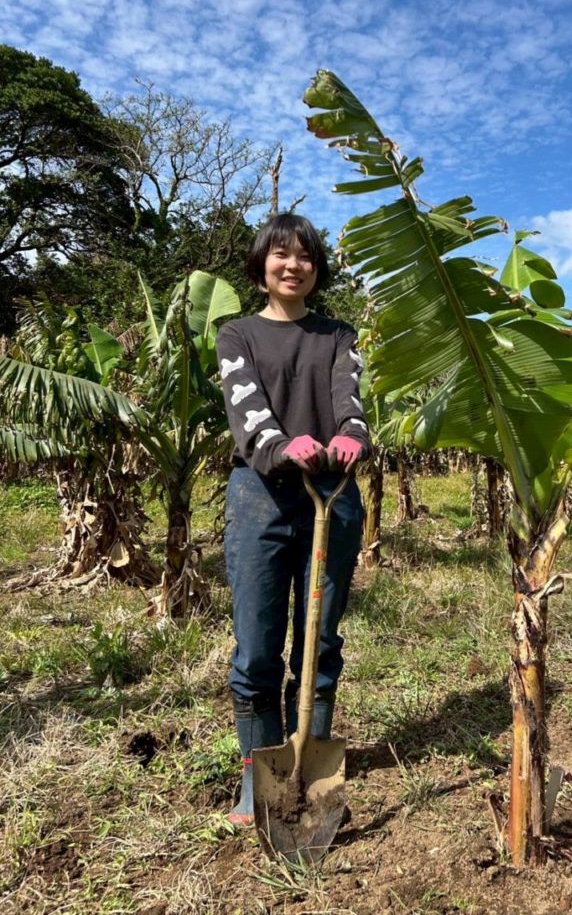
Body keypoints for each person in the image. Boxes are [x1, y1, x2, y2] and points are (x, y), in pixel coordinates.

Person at [216, 212, 369, 826]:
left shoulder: (337, 335)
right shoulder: (238, 336)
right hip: (261, 496)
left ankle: (309, 774)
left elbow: (348, 399)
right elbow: (247, 410)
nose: (293, 265)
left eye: (304, 256)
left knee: (320, 642)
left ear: (315, 268)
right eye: (281, 255)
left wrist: (353, 435)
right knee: (257, 649)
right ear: (262, 269)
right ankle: (259, 784)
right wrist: (283, 447)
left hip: (332, 495)